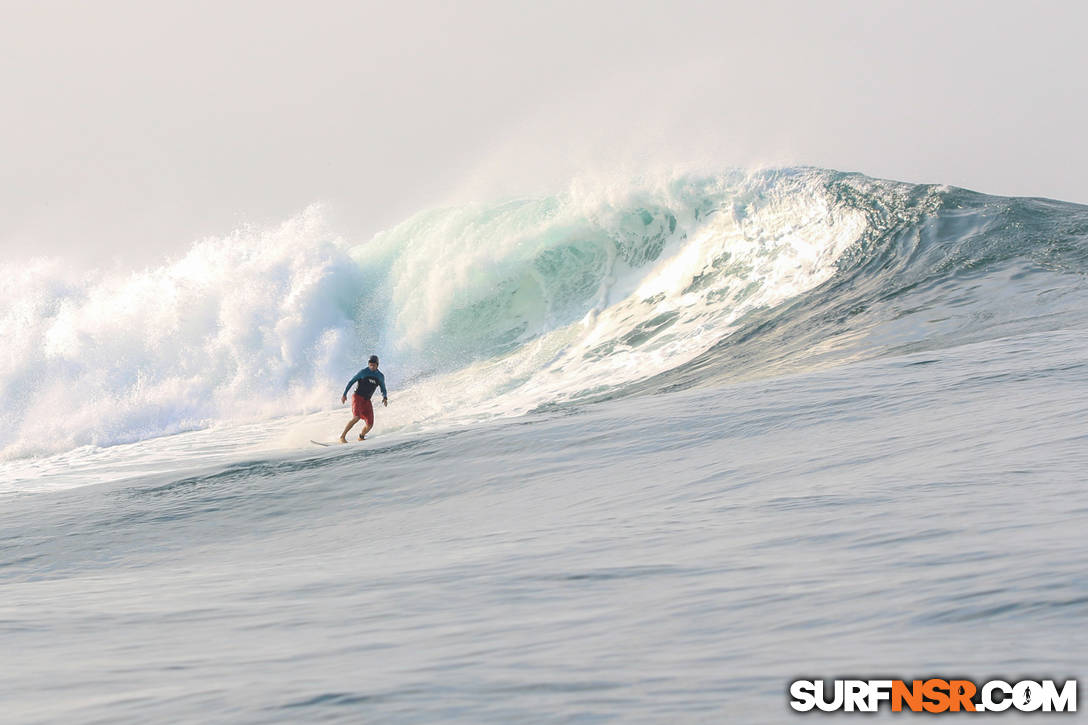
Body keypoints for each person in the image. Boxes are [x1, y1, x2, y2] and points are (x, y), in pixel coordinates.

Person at [340, 355, 389, 442]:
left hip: (367, 400)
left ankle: (361, 437)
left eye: (374, 365)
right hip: (357, 397)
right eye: (370, 364)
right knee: (356, 417)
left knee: (370, 424)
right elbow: (351, 382)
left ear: (377, 365)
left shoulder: (380, 376)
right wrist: (344, 394)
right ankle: (342, 437)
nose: (372, 366)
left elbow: (383, 388)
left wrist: (384, 397)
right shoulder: (363, 372)